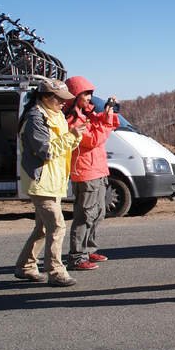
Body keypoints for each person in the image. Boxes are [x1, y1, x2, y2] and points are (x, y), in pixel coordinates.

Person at [14, 78, 85, 287]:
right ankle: (55, 271)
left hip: (53, 180)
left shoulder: (54, 114)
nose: (64, 103)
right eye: (59, 99)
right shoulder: (36, 118)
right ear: (46, 97)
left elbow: (61, 145)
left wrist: (74, 136)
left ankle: (25, 266)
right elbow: (46, 150)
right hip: (41, 181)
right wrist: (72, 136)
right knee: (57, 225)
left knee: (43, 228)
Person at [63, 76, 121, 271]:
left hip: (98, 169)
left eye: (90, 94)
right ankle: (76, 256)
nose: (89, 98)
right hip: (85, 172)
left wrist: (109, 111)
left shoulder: (88, 114)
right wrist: (105, 123)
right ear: (74, 95)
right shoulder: (72, 120)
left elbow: (106, 123)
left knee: (98, 213)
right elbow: (94, 139)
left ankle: (88, 249)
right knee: (84, 215)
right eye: (85, 94)